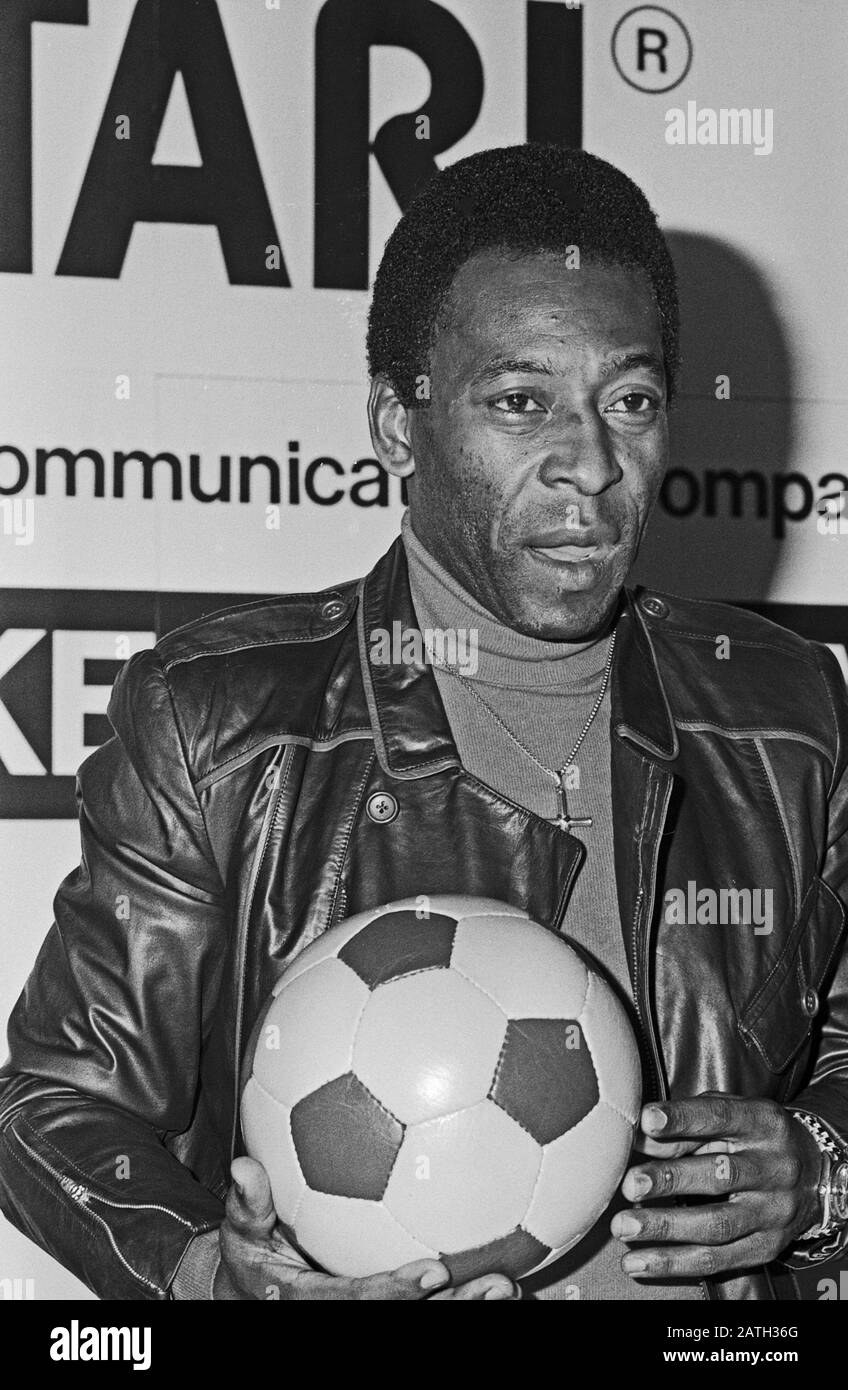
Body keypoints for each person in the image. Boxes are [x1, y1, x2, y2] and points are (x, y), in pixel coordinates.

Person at [1, 144, 846, 1302]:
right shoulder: (221, 724)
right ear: (399, 425)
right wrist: (204, 1273)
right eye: (519, 401)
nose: (590, 464)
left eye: (630, 401)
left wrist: (816, 1176)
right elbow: (56, 1101)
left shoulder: (782, 710)